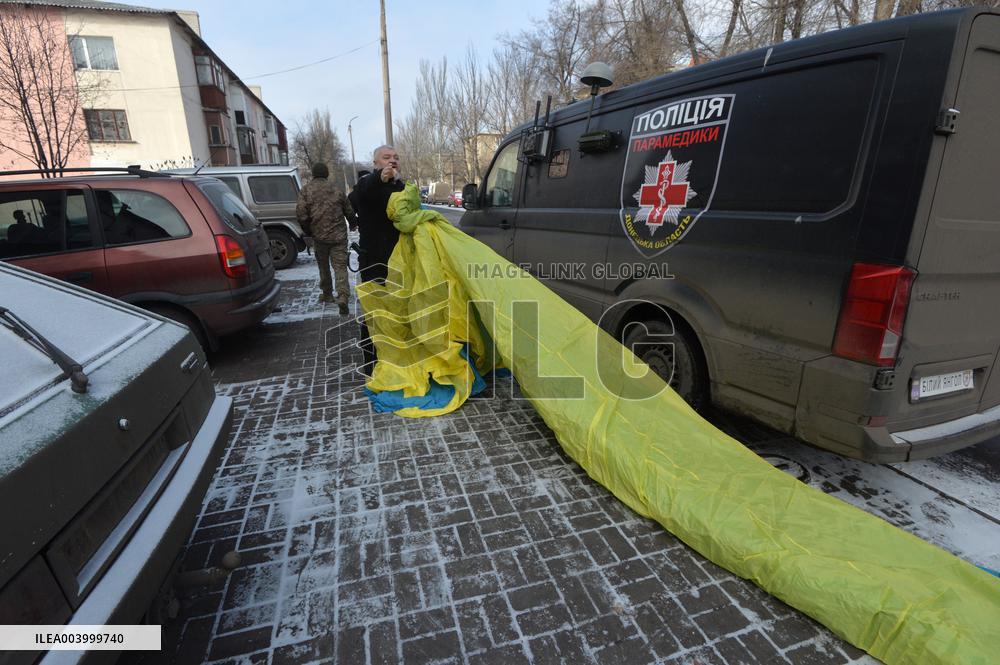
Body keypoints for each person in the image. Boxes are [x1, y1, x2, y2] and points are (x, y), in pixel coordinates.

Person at [353, 146, 405, 372]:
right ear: (375, 163)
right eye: (386, 157)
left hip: (398, 260)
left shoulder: (400, 187)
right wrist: (377, 178)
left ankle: (395, 355)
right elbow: (357, 197)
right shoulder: (367, 184)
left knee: (397, 308)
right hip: (374, 260)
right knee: (374, 311)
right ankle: (371, 364)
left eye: (395, 158)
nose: (392, 161)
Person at [295, 162, 355, 315]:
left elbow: (301, 214)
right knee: (340, 267)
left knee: (323, 266)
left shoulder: (306, 190)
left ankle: (327, 294)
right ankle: (342, 296)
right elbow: (348, 210)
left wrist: (309, 230)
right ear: (327, 173)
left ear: (314, 174)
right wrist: (353, 223)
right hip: (339, 236)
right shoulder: (336, 189)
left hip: (319, 236)